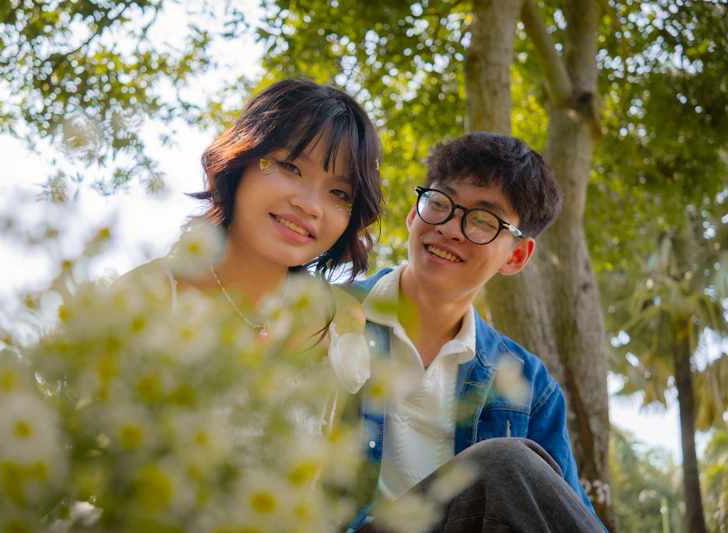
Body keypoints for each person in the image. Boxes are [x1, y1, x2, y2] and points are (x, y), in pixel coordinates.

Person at [344, 132, 607, 532]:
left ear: (516, 255)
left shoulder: (529, 384)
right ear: (414, 214)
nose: (450, 228)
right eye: (440, 203)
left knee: (509, 464)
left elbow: (564, 513)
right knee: (504, 462)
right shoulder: (326, 316)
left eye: (483, 220)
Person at [117, 77, 384, 420]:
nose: (311, 206)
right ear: (240, 160)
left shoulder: (344, 320)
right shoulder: (146, 296)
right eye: (291, 167)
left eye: (339, 194)